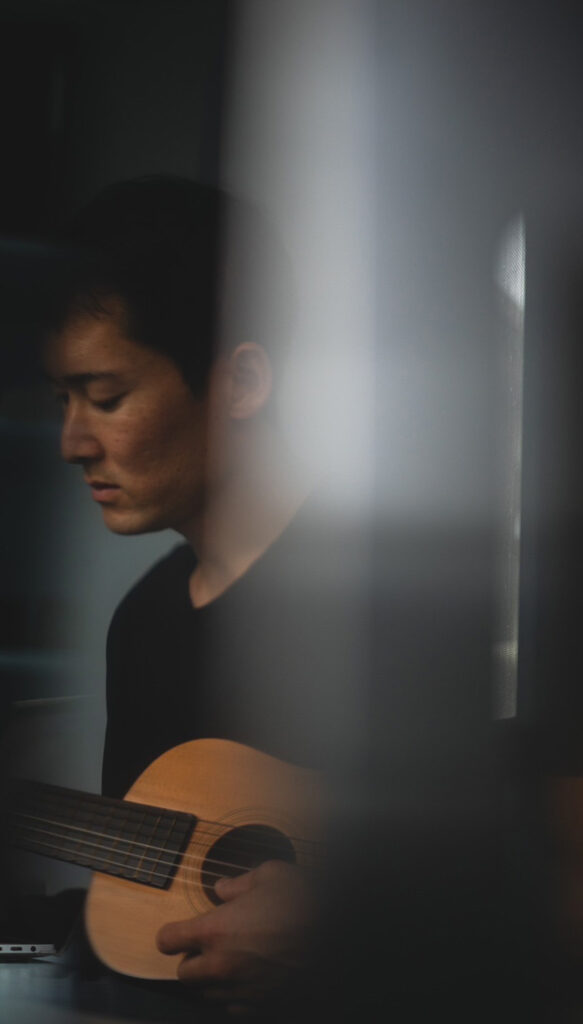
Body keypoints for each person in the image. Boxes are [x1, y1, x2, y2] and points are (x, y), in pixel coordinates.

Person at [41, 176, 343, 1018]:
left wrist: (340, 924)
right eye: (62, 401)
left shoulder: (389, 598)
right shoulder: (144, 624)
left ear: (241, 383)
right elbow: (138, 913)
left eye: (107, 398)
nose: (72, 442)